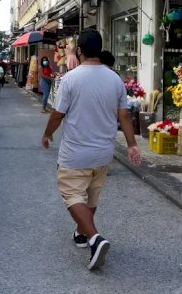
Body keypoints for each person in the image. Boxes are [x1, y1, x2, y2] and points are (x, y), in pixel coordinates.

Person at [41, 30, 141, 270]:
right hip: (103, 154)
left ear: (79, 51)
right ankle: (81, 232)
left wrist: (47, 134)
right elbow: (124, 115)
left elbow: (58, 113)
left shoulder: (71, 79)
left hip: (75, 153)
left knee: (73, 194)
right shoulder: (114, 79)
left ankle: (95, 238)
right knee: (91, 196)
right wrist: (131, 144)